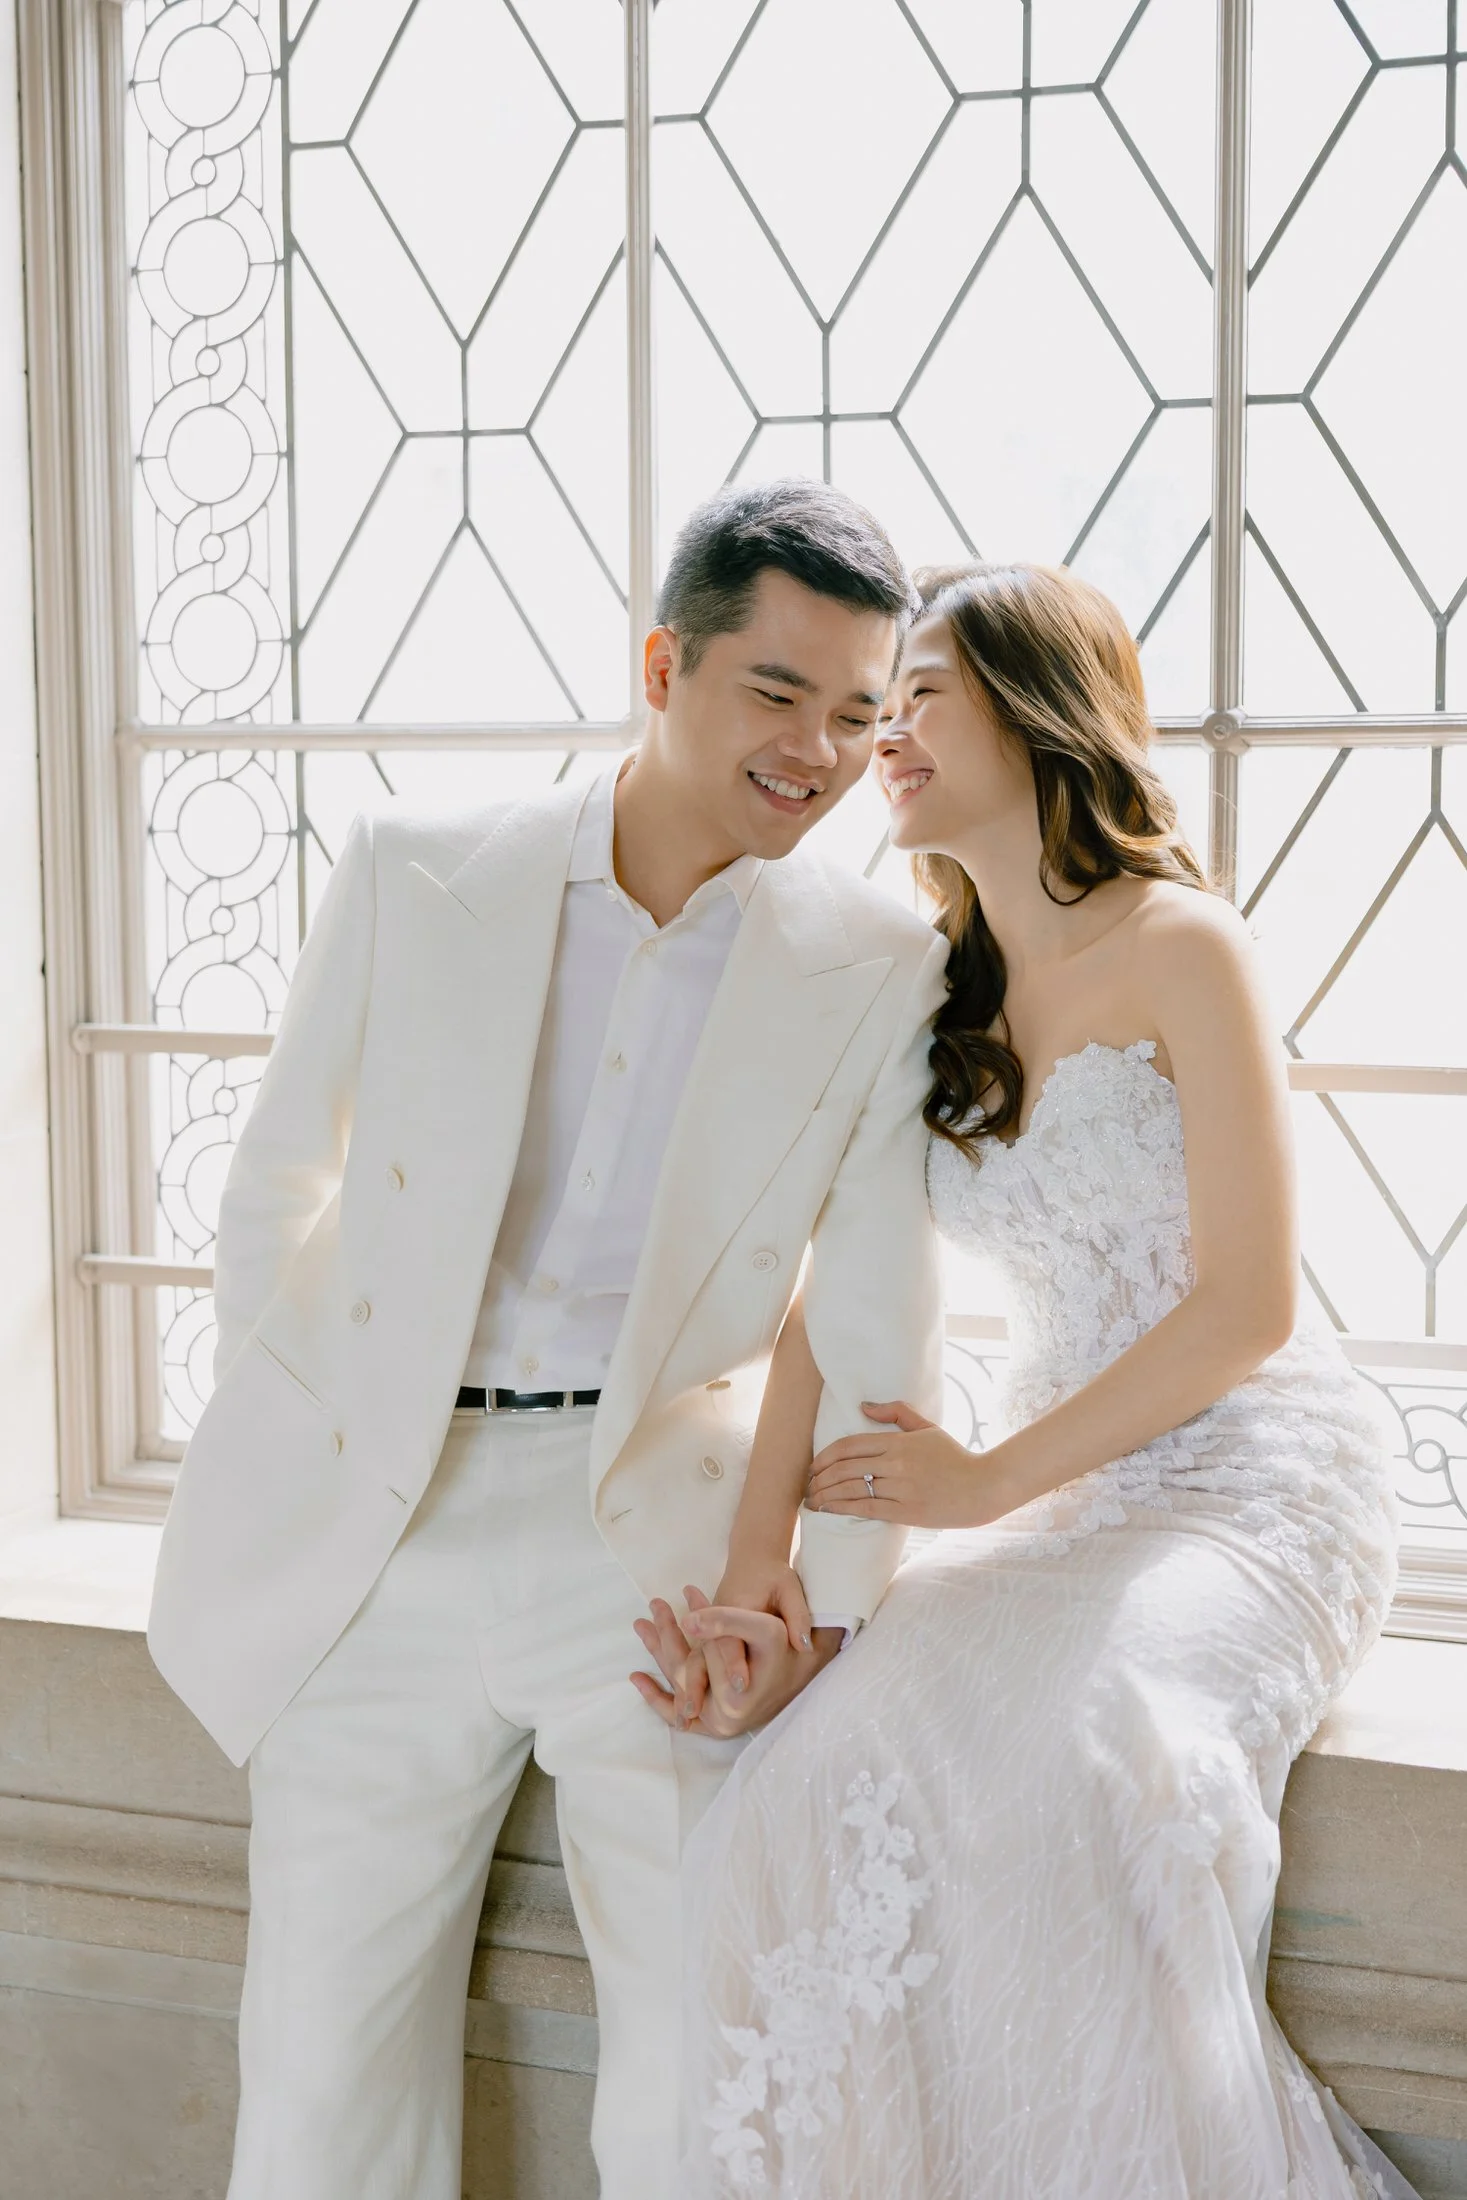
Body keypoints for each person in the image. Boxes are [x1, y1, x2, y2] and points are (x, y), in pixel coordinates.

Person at [146, 480, 955, 2200]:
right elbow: (276, 1184)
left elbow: (874, 1310)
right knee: (320, 2079)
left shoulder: (880, 965)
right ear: (663, 666)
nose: (818, 752)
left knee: (692, 2077)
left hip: (651, 1546)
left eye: (856, 712)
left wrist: (813, 1616)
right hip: (381, 1518)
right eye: (777, 692)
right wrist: (301, 1449)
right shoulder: (416, 867)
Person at [674, 563, 1413, 2198]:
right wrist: (756, 1567)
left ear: (1037, 710)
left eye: (921, 694)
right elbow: (819, 1300)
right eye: (878, 706)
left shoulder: (1183, 946)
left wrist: (983, 1485)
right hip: (1060, 1494)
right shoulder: (928, 996)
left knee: (1093, 1756)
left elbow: (1247, 1308)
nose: (881, 734)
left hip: (1251, 1479)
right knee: (803, 1783)